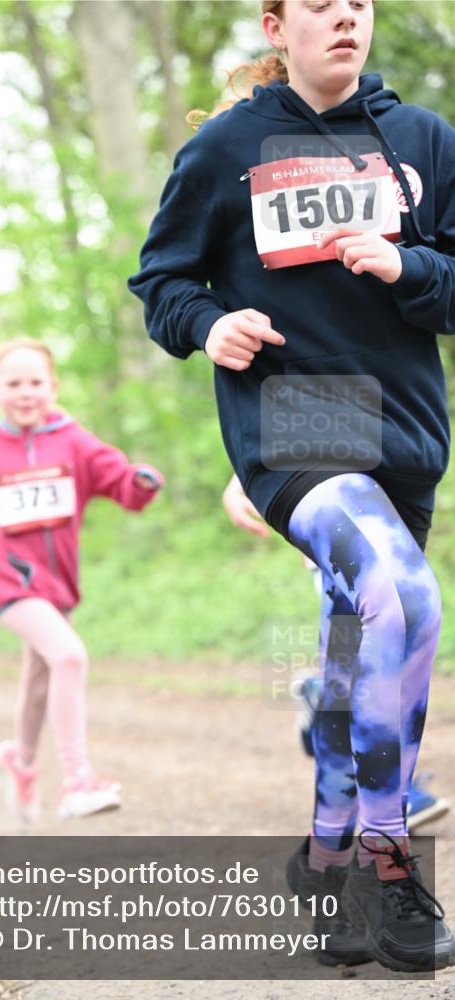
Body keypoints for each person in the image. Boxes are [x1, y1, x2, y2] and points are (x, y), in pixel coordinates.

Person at [129, 0, 454, 973]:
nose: (344, 19)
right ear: (277, 24)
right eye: (319, 4)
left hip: (402, 418)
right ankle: (388, 868)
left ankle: (320, 859)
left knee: (359, 644)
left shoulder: (422, 139)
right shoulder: (229, 144)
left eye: (357, 2)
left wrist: (408, 265)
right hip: (298, 410)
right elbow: (163, 282)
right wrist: (206, 326)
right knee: (403, 597)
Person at [0, 337, 163, 822]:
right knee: (68, 657)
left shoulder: (74, 440)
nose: (25, 392)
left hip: (58, 585)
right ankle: (77, 780)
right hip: (8, 581)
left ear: (53, 386)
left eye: (35, 382)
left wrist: (141, 482)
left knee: (39, 680)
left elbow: (118, 480)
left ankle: (22, 762)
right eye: (13, 383)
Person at [223, 472, 452, 832]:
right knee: (374, 669)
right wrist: (243, 477)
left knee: (360, 673)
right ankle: (389, 792)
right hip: (343, 549)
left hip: (393, 539)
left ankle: (320, 701)